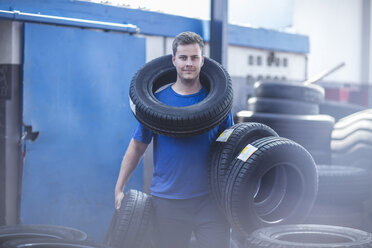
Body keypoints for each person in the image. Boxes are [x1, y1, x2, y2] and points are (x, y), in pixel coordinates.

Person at [114, 31, 233, 248]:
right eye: (183, 57)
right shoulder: (156, 104)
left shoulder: (217, 103)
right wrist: (119, 188)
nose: (189, 63)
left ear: (202, 60)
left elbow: (231, 148)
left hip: (211, 201)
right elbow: (137, 146)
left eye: (194, 57)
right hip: (168, 202)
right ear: (174, 60)